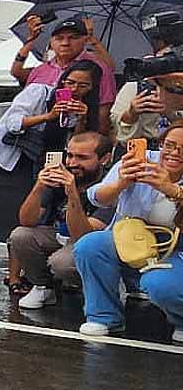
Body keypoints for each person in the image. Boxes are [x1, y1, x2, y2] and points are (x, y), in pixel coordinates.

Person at [0, 60, 102, 295]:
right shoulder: (40, 91)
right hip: (0, 156)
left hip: (33, 165)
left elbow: (78, 146)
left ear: (92, 88)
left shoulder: (82, 109)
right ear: (62, 78)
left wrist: (81, 119)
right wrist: (49, 115)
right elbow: (13, 123)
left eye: (83, 85)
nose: (75, 89)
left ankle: (14, 276)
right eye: (70, 82)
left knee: (20, 218)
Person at [74, 120, 183, 343]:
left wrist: (173, 191)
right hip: (129, 237)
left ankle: (180, 320)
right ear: (160, 144)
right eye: (169, 145)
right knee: (90, 245)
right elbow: (97, 197)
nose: (174, 153)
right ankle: (103, 316)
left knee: (159, 284)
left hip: (175, 249)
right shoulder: (140, 160)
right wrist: (121, 183)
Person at [9, 132, 114, 309]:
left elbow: (84, 235)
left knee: (61, 262)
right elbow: (26, 221)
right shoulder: (61, 175)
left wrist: (72, 192)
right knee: (20, 236)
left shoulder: (109, 185)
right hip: (60, 236)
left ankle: (96, 293)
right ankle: (43, 287)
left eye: (82, 158)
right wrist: (39, 186)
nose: (72, 163)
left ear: (105, 159)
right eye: (70, 155)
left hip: (93, 244)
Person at [11, 15, 115, 134]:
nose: (65, 43)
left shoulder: (98, 69)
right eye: (59, 38)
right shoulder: (40, 70)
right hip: (33, 140)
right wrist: (31, 40)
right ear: (51, 41)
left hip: (77, 140)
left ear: (85, 40)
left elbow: (103, 116)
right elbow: (16, 74)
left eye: (73, 38)